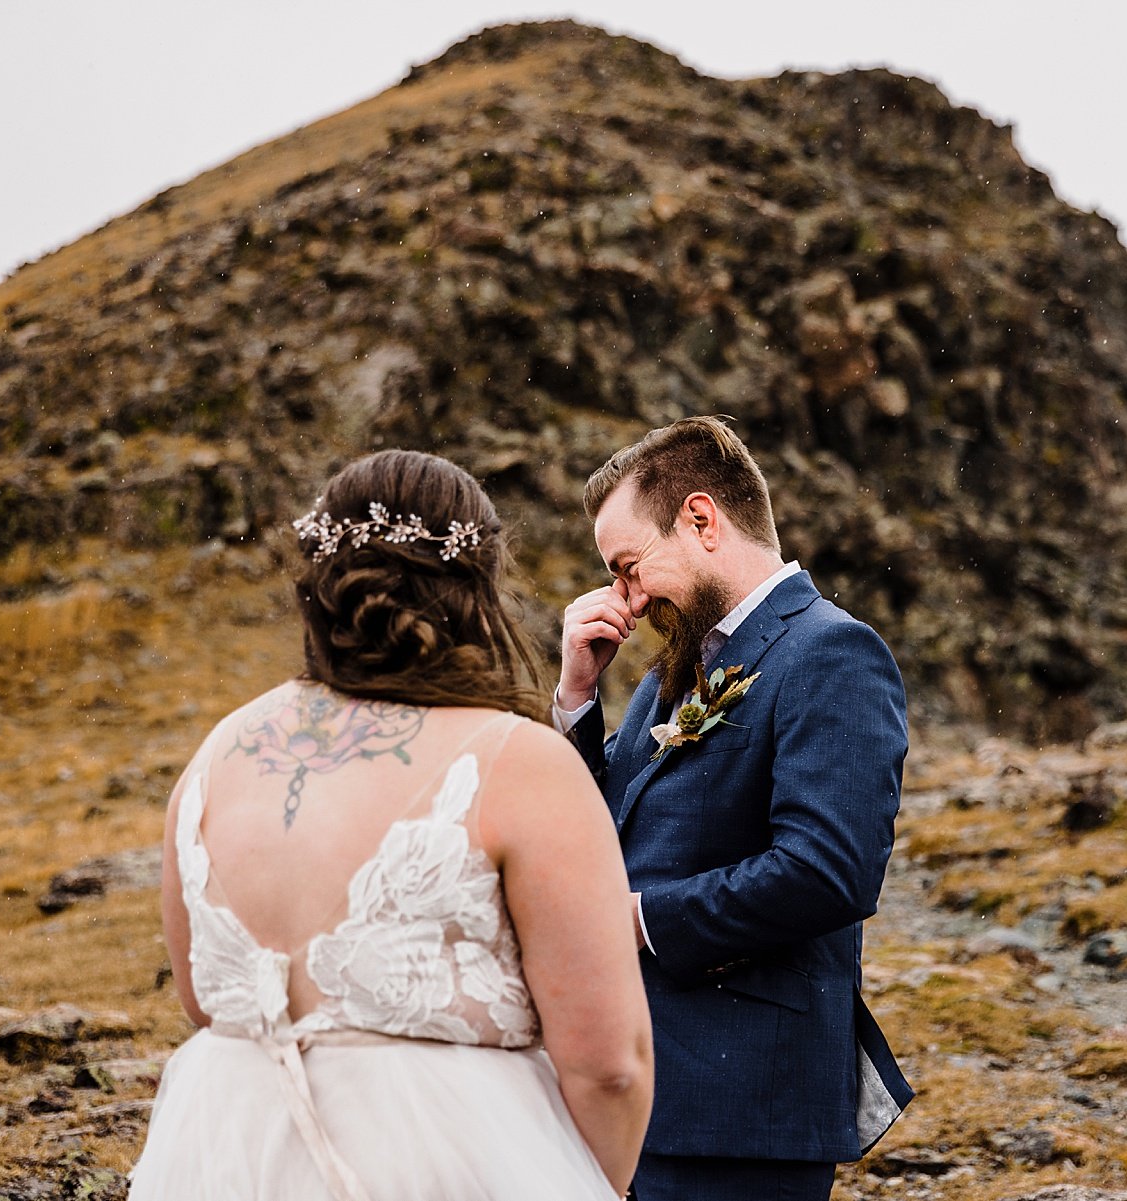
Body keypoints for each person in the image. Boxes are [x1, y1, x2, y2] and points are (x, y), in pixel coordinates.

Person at [131, 449, 653, 1201]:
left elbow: (203, 1000)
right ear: (477, 589)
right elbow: (611, 1066)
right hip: (449, 1163)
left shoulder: (218, 755)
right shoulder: (521, 763)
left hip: (225, 1156)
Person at [555, 417, 913, 1201]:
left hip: (745, 1107)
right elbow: (606, 831)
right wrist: (578, 700)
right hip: (644, 1094)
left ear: (700, 518)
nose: (627, 596)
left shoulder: (832, 651)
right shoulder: (668, 674)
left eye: (628, 566)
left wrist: (642, 919)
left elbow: (830, 871)